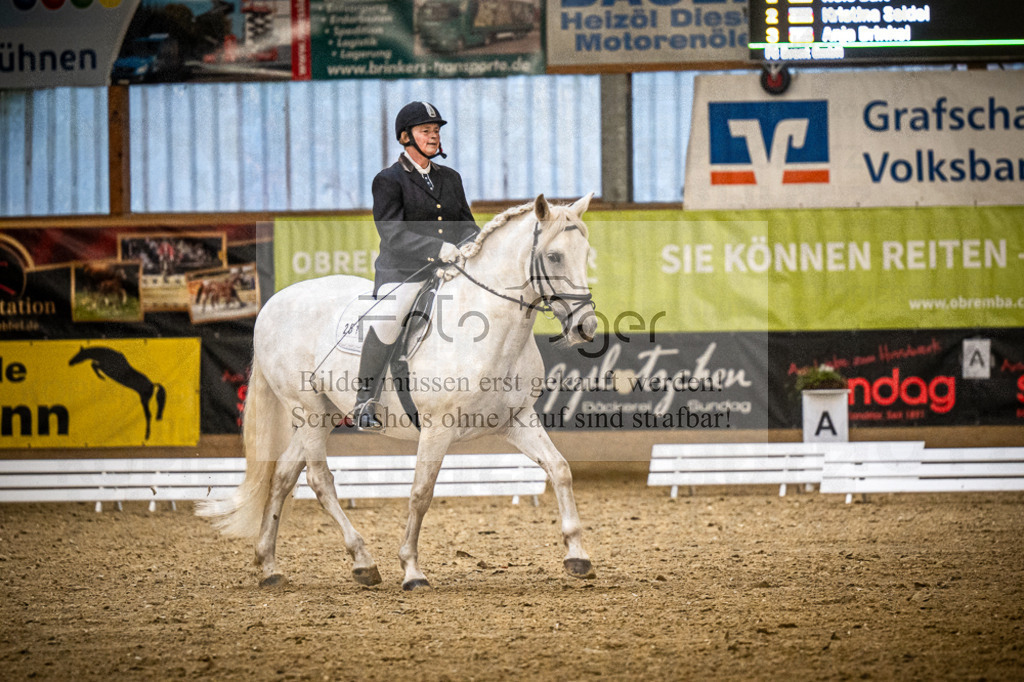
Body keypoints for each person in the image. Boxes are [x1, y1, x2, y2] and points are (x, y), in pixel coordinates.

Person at [353, 101, 480, 431]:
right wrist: (438, 248)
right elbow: (392, 233)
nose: (434, 137)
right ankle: (365, 399)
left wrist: (474, 244)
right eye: (426, 131)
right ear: (404, 137)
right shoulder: (388, 180)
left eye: (436, 131)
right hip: (402, 272)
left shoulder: (450, 178)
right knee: (388, 318)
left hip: (448, 270)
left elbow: (466, 224)